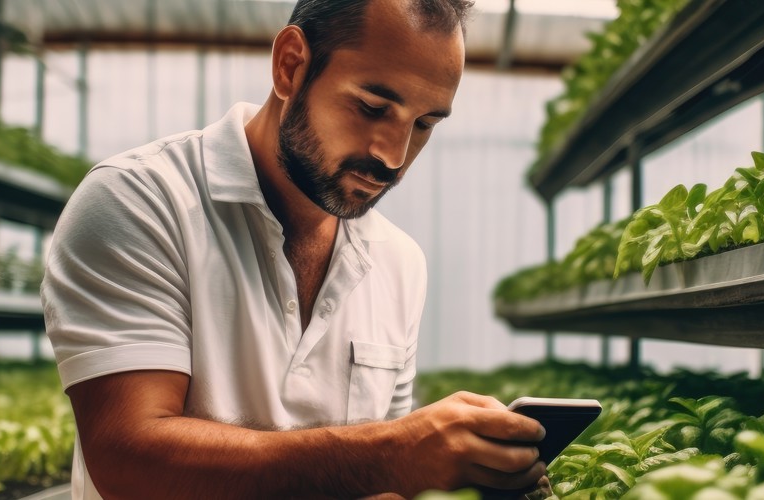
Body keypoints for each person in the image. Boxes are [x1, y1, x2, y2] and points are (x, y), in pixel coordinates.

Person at [43, 0, 546, 497]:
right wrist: (391, 454)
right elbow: (128, 460)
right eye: (372, 108)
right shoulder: (141, 202)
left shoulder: (399, 263)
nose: (392, 156)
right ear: (290, 66)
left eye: (424, 125)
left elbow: (381, 483)